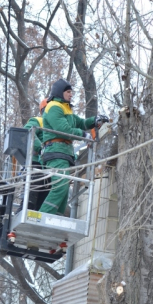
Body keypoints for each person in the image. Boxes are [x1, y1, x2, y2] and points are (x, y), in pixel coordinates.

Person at [39, 78, 108, 215]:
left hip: (64, 153)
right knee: (60, 186)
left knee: (63, 192)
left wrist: (94, 121)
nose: (71, 95)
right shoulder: (53, 107)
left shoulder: (66, 109)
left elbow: (81, 122)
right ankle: (43, 215)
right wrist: (84, 135)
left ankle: (55, 218)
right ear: (60, 92)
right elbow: (63, 129)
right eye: (68, 92)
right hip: (55, 151)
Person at [20, 98, 50, 211]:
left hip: (48, 168)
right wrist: (41, 148)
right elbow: (28, 130)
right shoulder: (38, 121)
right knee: (30, 200)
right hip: (36, 164)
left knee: (43, 202)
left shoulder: (56, 127)